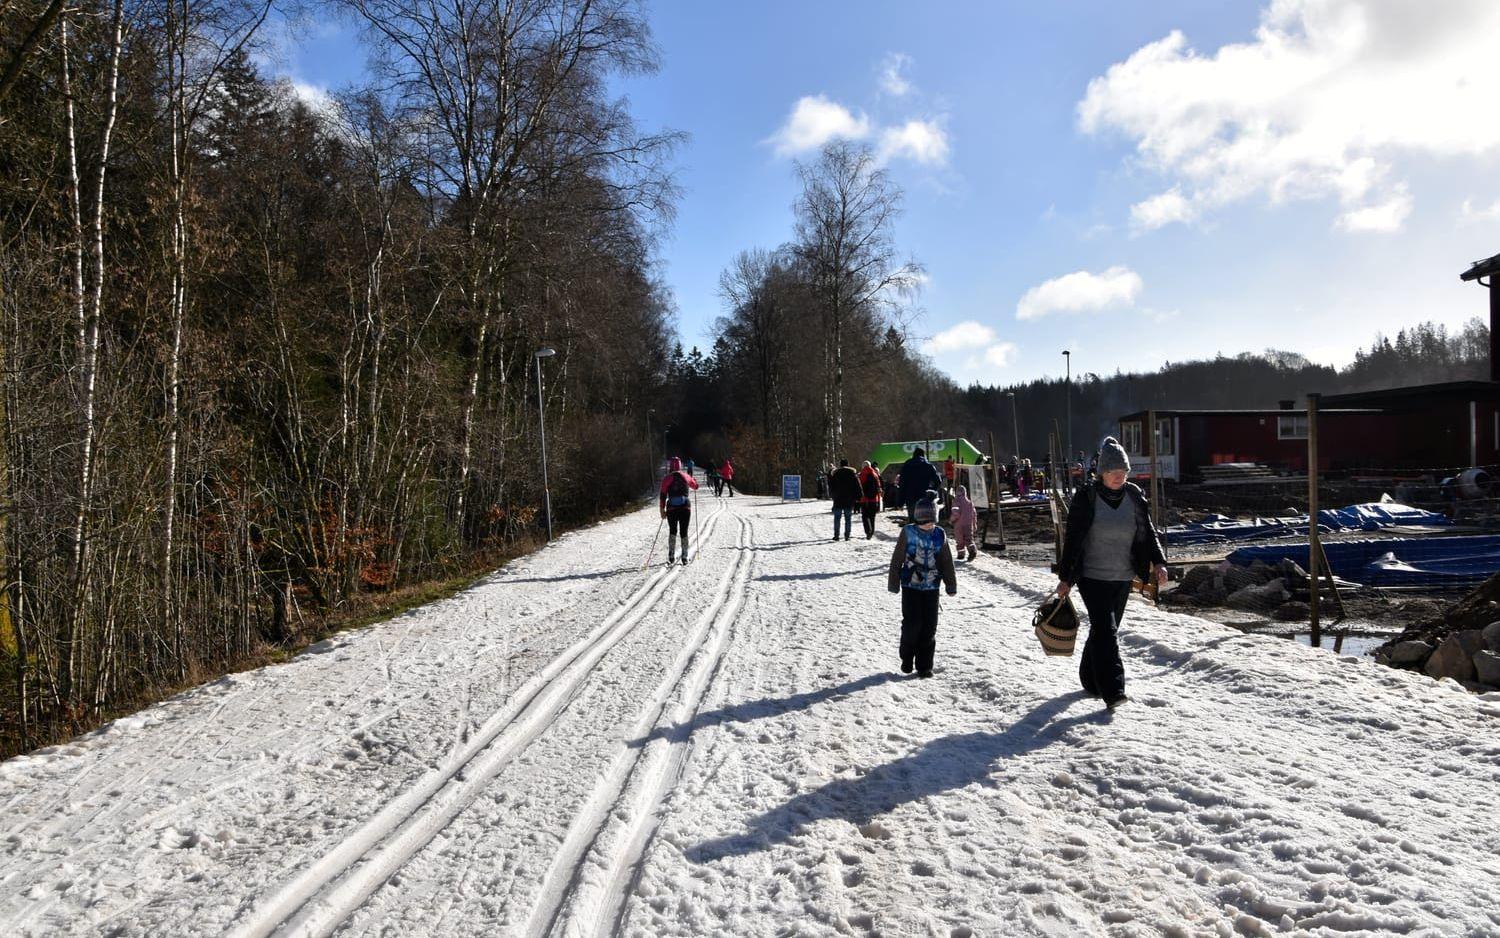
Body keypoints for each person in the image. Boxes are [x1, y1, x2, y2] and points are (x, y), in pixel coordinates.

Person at [1056, 437, 1168, 710]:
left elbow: (1148, 532)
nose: (1120, 476)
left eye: (1124, 471)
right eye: (1113, 471)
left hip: (1122, 575)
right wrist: (1066, 578)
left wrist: (1159, 562)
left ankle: (1090, 679)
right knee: (1106, 630)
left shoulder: (1134, 496)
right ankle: (1114, 690)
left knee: (1103, 629)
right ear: (1101, 473)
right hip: (1092, 576)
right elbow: (1073, 539)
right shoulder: (1087, 497)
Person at [886, 492, 957, 678]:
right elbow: (897, 559)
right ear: (918, 519)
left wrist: (951, 584)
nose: (930, 525)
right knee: (912, 624)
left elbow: (946, 561)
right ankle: (907, 657)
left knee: (929, 627)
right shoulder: (908, 532)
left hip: (932, 587)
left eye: (933, 521)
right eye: (927, 521)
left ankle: (925, 666)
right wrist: (894, 582)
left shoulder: (939, 534)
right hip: (911, 586)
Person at [659, 456, 699, 565]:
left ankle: (671, 555)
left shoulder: (667, 478)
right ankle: (684, 557)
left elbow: (663, 495)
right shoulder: (685, 476)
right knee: (684, 531)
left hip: (672, 507)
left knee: (673, 531)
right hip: (685, 507)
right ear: (680, 465)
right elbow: (695, 486)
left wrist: (662, 509)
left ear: (670, 466)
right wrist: (694, 481)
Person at [897, 448, 942, 522]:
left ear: (913, 455)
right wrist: (932, 491)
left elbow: (902, 484)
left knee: (913, 522)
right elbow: (938, 481)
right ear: (923, 455)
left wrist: (900, 502)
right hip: (924, 497)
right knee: (924, 521)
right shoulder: (928, 466)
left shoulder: (907, 466)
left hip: (910, 497)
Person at [826, 458, 861, 541]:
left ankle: (836, 535)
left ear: (840, 465)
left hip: (838, 499)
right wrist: (859, 496)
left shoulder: (836, 473)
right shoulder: (852, 473)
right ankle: (847, 535)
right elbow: (857, 486)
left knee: (837, 518)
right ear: (848, 464)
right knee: (848, 518)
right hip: (849, 499)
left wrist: (833, 495)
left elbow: (831, 485)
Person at [858, 460, 883, 539]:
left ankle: (868, 531)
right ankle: (872, 531)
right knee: (872, 516)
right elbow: (879, 487)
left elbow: (859, 487)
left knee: (865, 516)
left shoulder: (861, 475)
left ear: (863, 466)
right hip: (874, 499)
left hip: (864, 499)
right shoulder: (875, 474)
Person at [953, 483, 978, 561]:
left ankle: (961, 554)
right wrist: (974, 524)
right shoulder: (970, 503)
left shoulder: (956, 502)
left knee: (959, 540)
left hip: (959, 524)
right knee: (969, 539)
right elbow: (974, 515)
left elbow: (955, 513)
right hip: (968, 524)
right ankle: (972, 550)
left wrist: (951, 520)